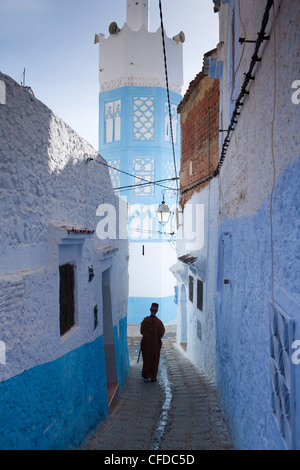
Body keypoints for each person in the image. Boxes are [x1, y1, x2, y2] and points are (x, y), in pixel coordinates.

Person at [140, 302, 165, 382]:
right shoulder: (158, 322)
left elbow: (142, 331)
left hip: (146, 344)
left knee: (146, 359)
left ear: (150, 310)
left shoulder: (144, 321)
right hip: (155, 344)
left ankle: (146, 374)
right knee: (154, 359)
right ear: (156, 311)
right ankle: (152, 376)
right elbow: (161, 333)